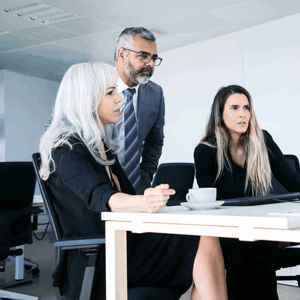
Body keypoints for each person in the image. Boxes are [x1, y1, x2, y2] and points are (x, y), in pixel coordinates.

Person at [39, 62, 227, 300]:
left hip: (124, 245)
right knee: (202, 239)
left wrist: (150, 198)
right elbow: (101, 196)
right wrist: (142, 200)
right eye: (110, 92)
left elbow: (122, 195)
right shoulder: (65, 148)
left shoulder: (102, 146)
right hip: (101, 259)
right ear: (85, 99)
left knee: (203, 234)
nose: (120, 99)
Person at [194, 84, 300, 300]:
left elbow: (294, 183)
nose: (243, 114)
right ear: (220, 113)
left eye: (247, 107)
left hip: (262, 228)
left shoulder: (263, 141)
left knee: (257, 248)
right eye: (234, 108)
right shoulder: (206, 151)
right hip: (227, 232)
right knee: (248, 252)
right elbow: (210, 205)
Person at [113, 27, 165, 195]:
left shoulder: (155, 93)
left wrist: (145, 175)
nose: (150, 64)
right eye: (143, 56)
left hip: (137, 188)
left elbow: (154, 141)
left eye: (154, 58)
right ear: (122, 54)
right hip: (98, 186)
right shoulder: (95, 85)